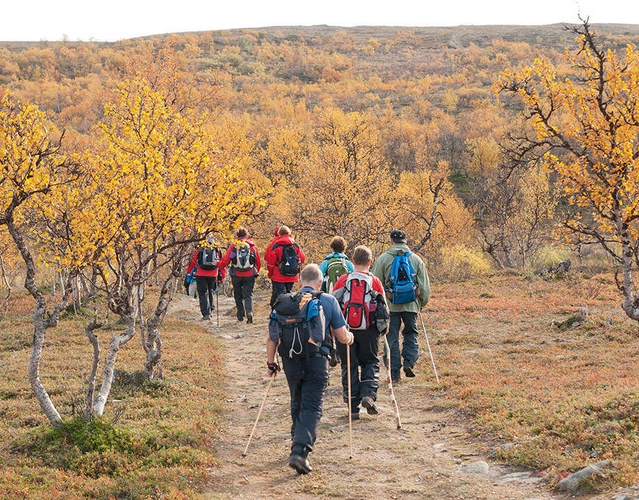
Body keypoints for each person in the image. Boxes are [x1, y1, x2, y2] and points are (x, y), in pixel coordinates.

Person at [266, 264, 354, 475]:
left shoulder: (285, 302)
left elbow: (272, 337)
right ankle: (299, 451)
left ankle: (296, 440)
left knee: (297, 398)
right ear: (320, 282)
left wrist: (271, 363)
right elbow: (342, 336)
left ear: (299, 282)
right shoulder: (328, 300)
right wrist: (350, 338)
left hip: (289, 360)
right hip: (316, 360)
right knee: (312, 405)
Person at [332, 245, 388, 419]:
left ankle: (352, 407)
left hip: (345, 329)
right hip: (369, 329)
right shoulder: (375, 281)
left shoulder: (343, 280)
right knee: (370, 361)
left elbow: (332, 304)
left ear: (353, 261)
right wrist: (384, 328)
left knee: (348, 365)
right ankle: (368, 395)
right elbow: (383, 308)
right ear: (370, 262)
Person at [371, 230, 430, 384]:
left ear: (391, 241)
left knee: (391, 338)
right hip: (411, 305)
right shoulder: (416, 260)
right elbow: (424, 287)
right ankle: (409, 363)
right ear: (405, 241)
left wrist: (379, 304)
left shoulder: (383, 259)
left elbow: (375, 284)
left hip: (390, 306)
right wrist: (421, 303)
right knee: (411, 333)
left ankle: (394, 373)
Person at [217, 227, 261, 323]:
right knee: (248, 294)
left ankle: (240, 316)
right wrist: (256, 271)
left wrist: (219, 265)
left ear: (237, 236)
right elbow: (258, 261)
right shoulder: (252, 246)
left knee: (238, 295)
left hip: (236, 274)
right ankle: (249, 311)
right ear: (246, 235)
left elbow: (226, 259)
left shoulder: (234, 246)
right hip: (249, 274)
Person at [264, 225, 306, 308]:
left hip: (279, 274)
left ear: (279, 234)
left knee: (280, 295)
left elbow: (270, 262)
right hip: (292, 274)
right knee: (289, 293)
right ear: (289, 233)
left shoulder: (277, 245)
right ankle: (288, 312)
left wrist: (270, 273)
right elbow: (303, 258)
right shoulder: (294, 244)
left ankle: (279, 313)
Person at [185, 235, 225, 321]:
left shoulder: (200, 248)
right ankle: (211, 307)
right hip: (213, 274)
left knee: (202, 293)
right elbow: (221, 263)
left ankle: (206, 314)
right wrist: (222, 276)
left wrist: (188, 271)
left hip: (201, 274)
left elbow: (193, 260)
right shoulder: (217, 249)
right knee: (210, 290)